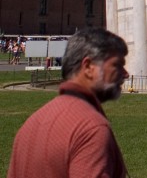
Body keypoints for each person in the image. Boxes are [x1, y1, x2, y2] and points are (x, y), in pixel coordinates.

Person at [7, 28, 130, 178]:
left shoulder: (30, 125)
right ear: (88, 67)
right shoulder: (91, 128)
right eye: (117, 65)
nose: (126, 73)